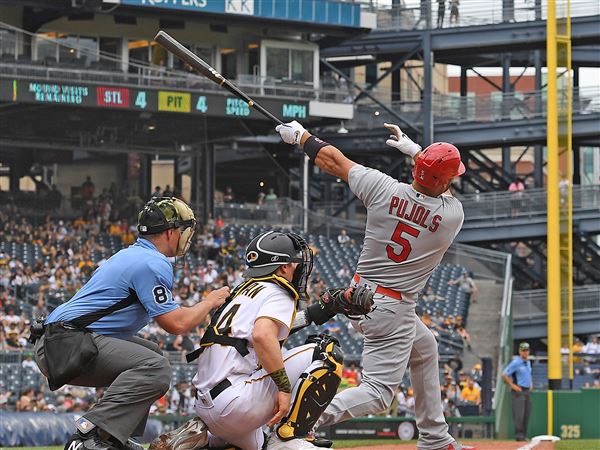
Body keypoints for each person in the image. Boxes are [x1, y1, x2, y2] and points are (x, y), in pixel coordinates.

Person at [276, 120, 474, 450]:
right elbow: (443, 187)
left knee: (425, 349)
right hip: (393, 308)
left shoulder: (384, 188)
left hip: (358, 296)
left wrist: (301, 137)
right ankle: (300, 418)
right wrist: (416, 151)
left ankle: (436, 439)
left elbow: (333, 160)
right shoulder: (452, 215)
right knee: (379, 394)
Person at [31, 197, 230, 450]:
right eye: (183, 230)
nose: (186, 237)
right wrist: (210, 301)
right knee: (156, 368)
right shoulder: (152, 262)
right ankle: (90, 435)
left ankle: (118, 438)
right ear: (171, 232)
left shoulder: (132, 254)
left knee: (153, 354)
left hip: (61, 339)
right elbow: (176, 324)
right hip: (64, 344)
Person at [150, 230, 372, 450]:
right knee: (326, 352)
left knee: (257, 445)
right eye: (295, 262)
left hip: (210, 405)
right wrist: (284, 390)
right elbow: (263, 335)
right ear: (284, 266)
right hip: (237, 403)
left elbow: (259, 333)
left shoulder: (243, 292)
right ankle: (290, 435)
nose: (298, 267)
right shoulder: (279, 290)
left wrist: (321, 310)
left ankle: (205, 442)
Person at [502, 342, 533, 442]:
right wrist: (513, 385)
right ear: (520, 351)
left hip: (527, 391)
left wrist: (531, 384)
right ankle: (519, 435)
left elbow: (528, 375)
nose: (525, 352)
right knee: (519, 414)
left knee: (526, 414)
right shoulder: (516, 362)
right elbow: (505, 374)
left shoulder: (528, 362)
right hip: (519, 391)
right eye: (523, 350)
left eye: (527, 350)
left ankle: (523, 435)